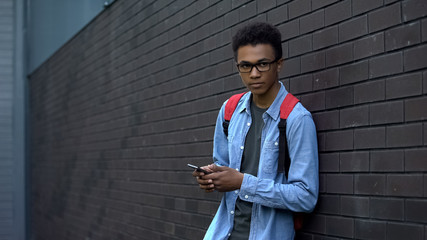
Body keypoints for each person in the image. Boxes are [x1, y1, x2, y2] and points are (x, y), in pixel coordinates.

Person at [192, 22, 319, 240]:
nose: (253, 74)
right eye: (245, 66)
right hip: (223, 233)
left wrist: (243, 182)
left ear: (279, 64)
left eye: (262, 64)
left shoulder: (297, 119)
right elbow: (224, 168)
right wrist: (211, 177)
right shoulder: (229, 110)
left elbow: (305, 197)